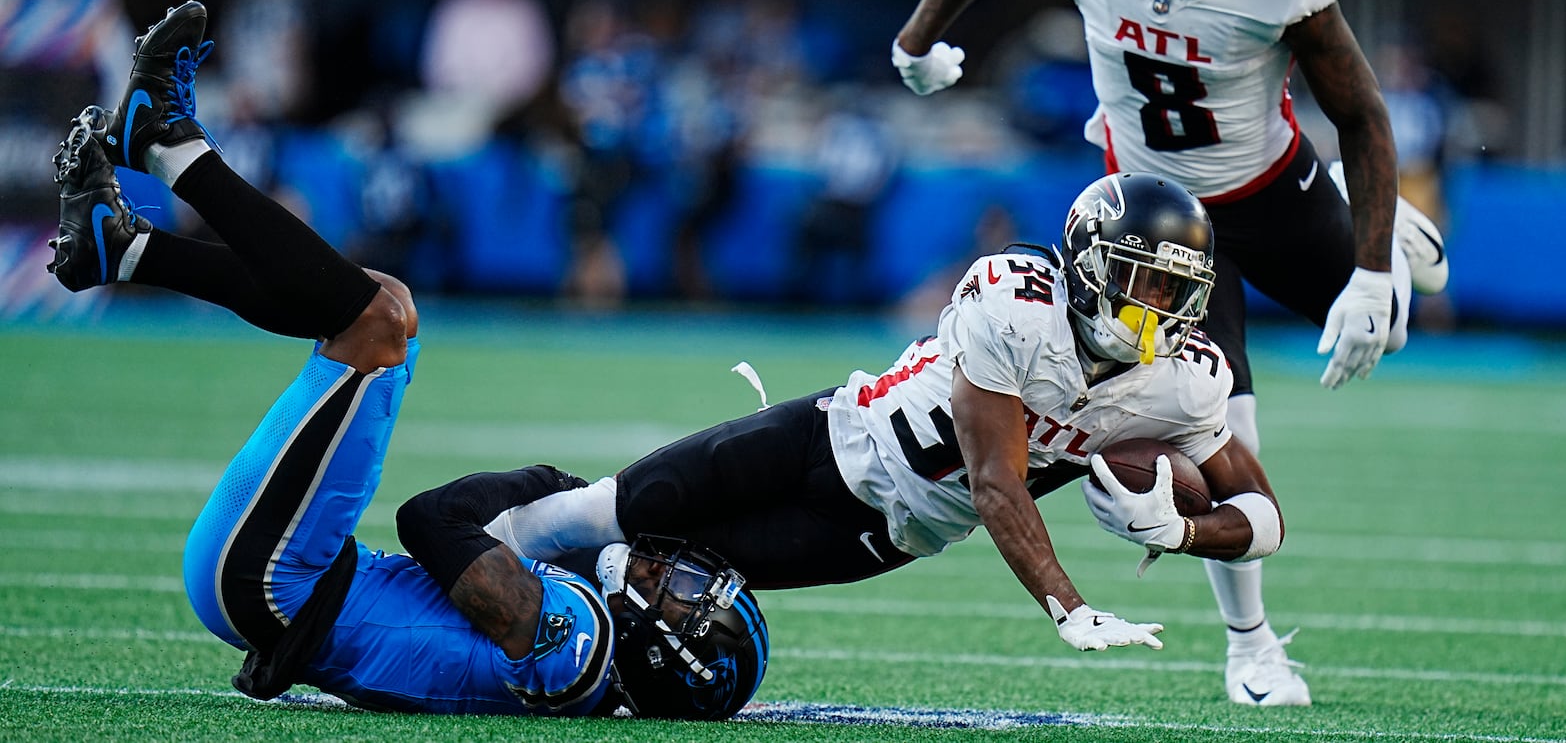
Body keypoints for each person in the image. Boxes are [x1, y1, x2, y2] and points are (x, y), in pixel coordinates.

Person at [887, 0, 1454, 705]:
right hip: (1155, 218)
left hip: (1272, 183)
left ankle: (1374, 220)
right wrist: (918, 41)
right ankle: (1253, 648)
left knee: (1387, 321)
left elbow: (1359, 108)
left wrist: (1363, 266)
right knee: (1223, 421)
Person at [45, 1, 768, 720]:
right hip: (296, 578)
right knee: (380, 302)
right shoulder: (588, 652)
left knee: (374, 324)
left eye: (679, 592)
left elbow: (430, 519)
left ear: (670, 650)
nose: (663, 568)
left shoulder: (579, 645)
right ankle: (124, 247)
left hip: (274, 579)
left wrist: (559, 487)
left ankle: (170, 146)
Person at [464, 172, 1291, 691]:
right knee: (614, 505)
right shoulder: (1016, 301)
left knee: (653, 574)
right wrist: (1067, 605)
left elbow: (1263, 516)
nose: (1152, 309)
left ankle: (505, 636)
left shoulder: (1184, 379)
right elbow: (996, 477)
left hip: (882, 530)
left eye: (1172, 289)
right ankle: (458, 553)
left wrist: (1184, 529)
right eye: (1136, 279)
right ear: (1084, 263)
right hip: (830, 431)